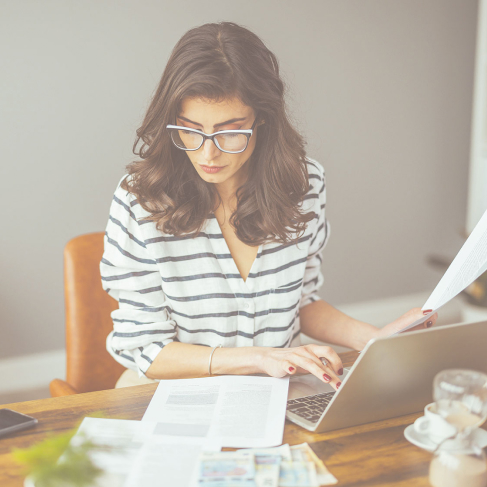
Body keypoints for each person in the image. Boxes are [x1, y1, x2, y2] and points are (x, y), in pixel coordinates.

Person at [100, 21, 437, 389]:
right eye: (190, 129)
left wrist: (372, 339)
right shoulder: (141, 200)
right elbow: (147, 349)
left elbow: (302, 302)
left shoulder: (303, 185)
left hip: (274, 388)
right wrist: (260, 358)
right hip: (173, 391)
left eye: (230, 131)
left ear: (262, 116)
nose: (208, 152)